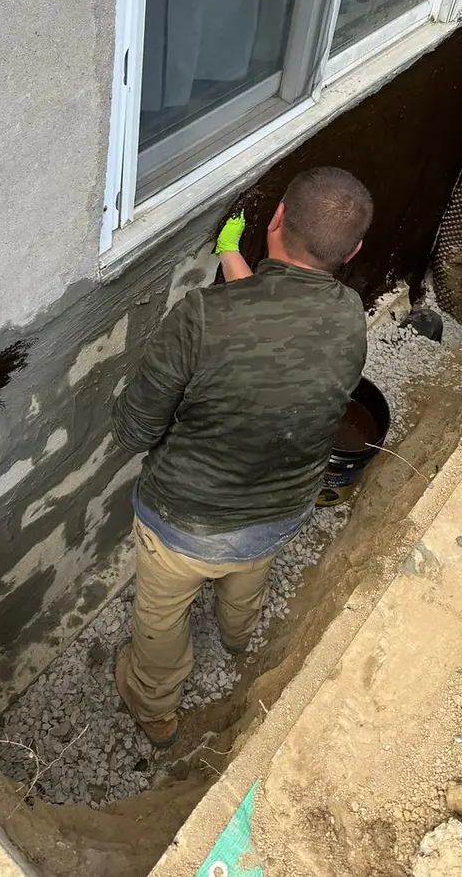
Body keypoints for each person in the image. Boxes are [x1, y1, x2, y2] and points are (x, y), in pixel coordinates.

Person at [111, 166, 373, 747]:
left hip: (185, 525)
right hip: (278, 513)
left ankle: (153, 705)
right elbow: (281, 315)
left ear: (276, 220)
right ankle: (237, 635)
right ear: (354, 250)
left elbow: (134, 431)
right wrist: (235, 261)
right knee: (246, 574)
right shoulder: (350, 314)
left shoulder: (200, 318)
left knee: (159, 618)